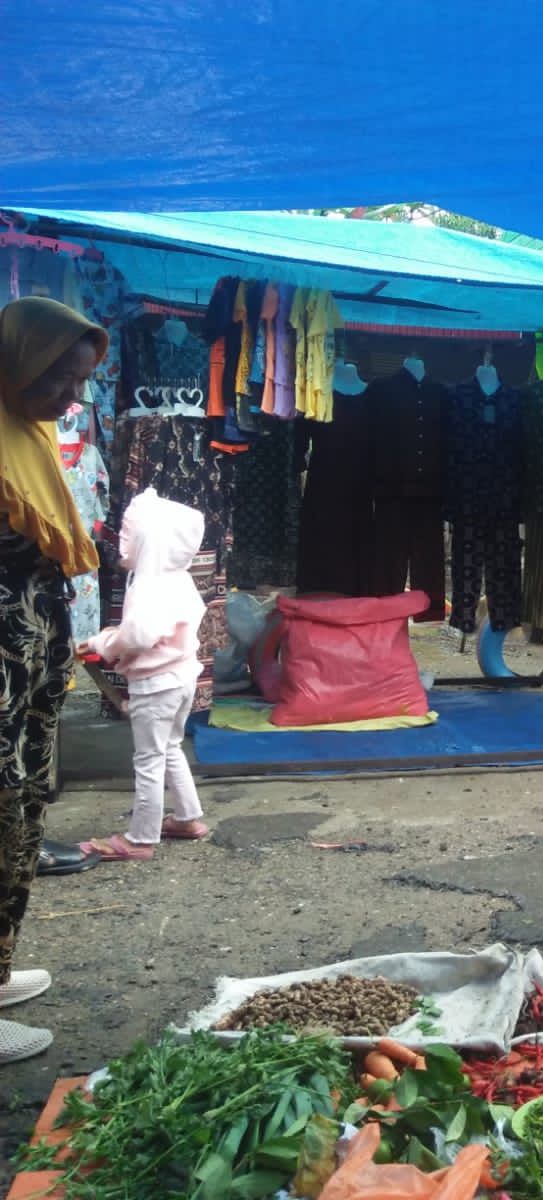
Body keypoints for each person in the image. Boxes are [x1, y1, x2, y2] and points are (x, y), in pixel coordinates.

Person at [0, 297, 109, 1062]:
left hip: (26, 649)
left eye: (79, 383)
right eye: (59, 381)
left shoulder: (26, 435)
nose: (70, 401)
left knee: (22, 803)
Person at [77, 490, 209, 862]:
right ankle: (187, 817)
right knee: (170, 748)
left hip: (156, 685)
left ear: (149, 540)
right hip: (181, 679)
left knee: (148, 758)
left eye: (129, 534)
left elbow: (137, 636)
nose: (123, 540)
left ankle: (140, 838)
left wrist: (101, 643)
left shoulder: (149, 585)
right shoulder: (178, 578)